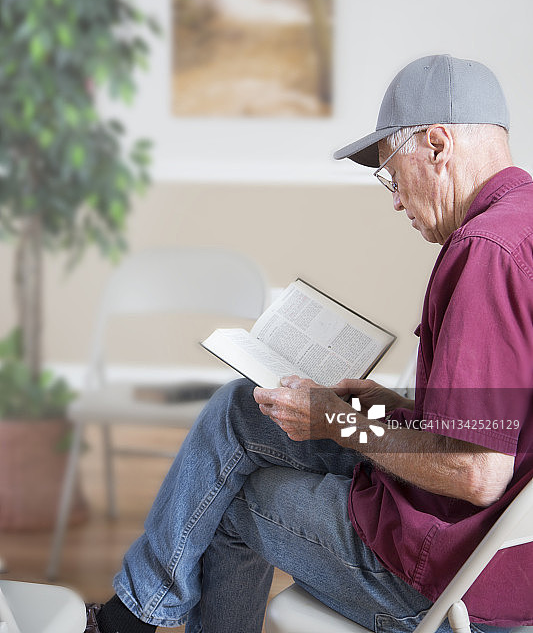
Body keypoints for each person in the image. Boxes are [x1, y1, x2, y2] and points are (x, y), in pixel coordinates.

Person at [85, 54, 533, 633]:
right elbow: (500, 424)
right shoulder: (520, 224)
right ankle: (134, 613)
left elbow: (479, 472)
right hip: (489, 546)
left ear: (438, 145)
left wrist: (335, 422)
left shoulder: (486, 254)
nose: (396, 200)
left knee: (230, 503)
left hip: (446, 574)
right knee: (241, 409)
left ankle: (130, 621)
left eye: (392, 177)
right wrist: (390, 407)